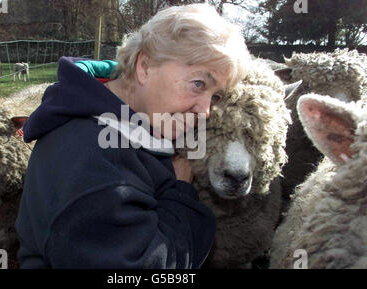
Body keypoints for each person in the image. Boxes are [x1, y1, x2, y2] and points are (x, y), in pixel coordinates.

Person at [15, 3, 250, 269]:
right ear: (145, 67)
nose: (206, 111)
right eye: (198, 83)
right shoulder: (92, 164)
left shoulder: (136, 120)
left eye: (215, 96)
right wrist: (180, 195)